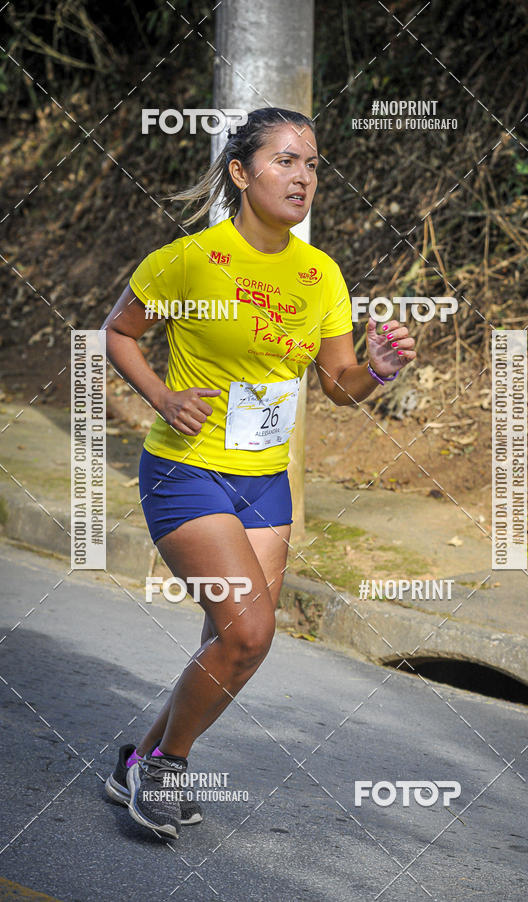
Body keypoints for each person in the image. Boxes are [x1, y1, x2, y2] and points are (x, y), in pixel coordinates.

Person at [102, 107, 416, 839]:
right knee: (248, 632)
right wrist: (162, 394)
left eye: (312, 164)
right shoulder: (188, 260)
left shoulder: (319, 275)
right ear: (242, 174)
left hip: (265, 484)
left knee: (233, 638)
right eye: (285, 161)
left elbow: (337, 386)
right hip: (186, 472)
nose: (303, 176)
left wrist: (374, 368)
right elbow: (119, 333)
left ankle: (139, 761)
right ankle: (166, 772)